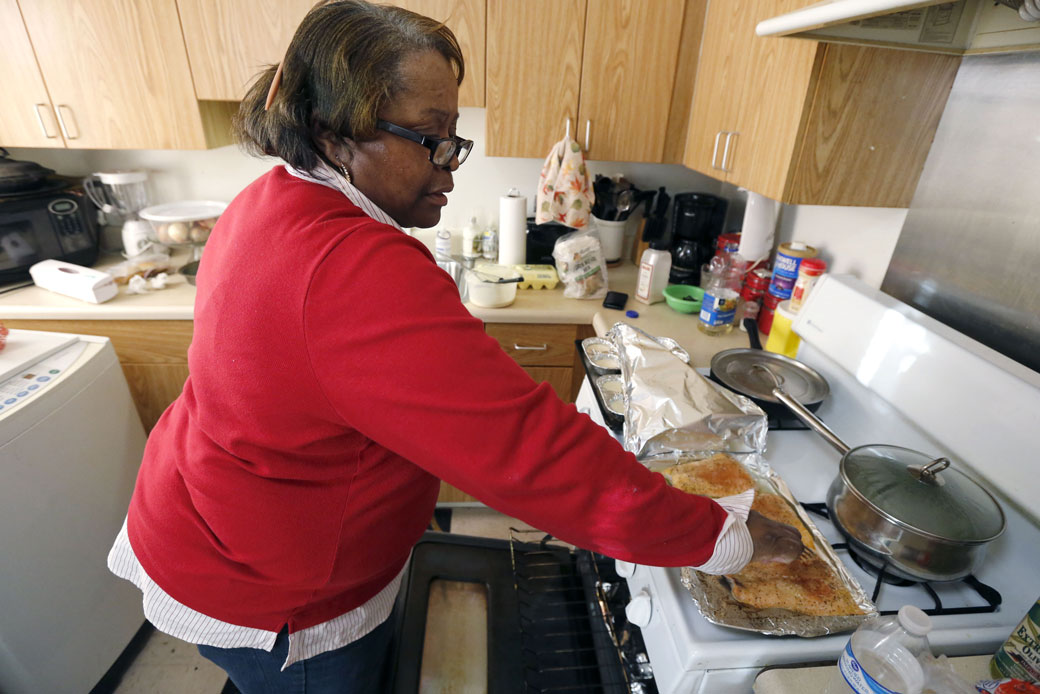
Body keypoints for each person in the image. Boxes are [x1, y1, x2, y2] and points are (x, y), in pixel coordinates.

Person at [107, 2, 804, 692]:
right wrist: (721, 536)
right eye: (429, 138)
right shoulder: (351, 269)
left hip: (215, 519)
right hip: (276, 586)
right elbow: (527, 452)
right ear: (333, 133)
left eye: (454, 136)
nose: (450, 165)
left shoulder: (272, 199)